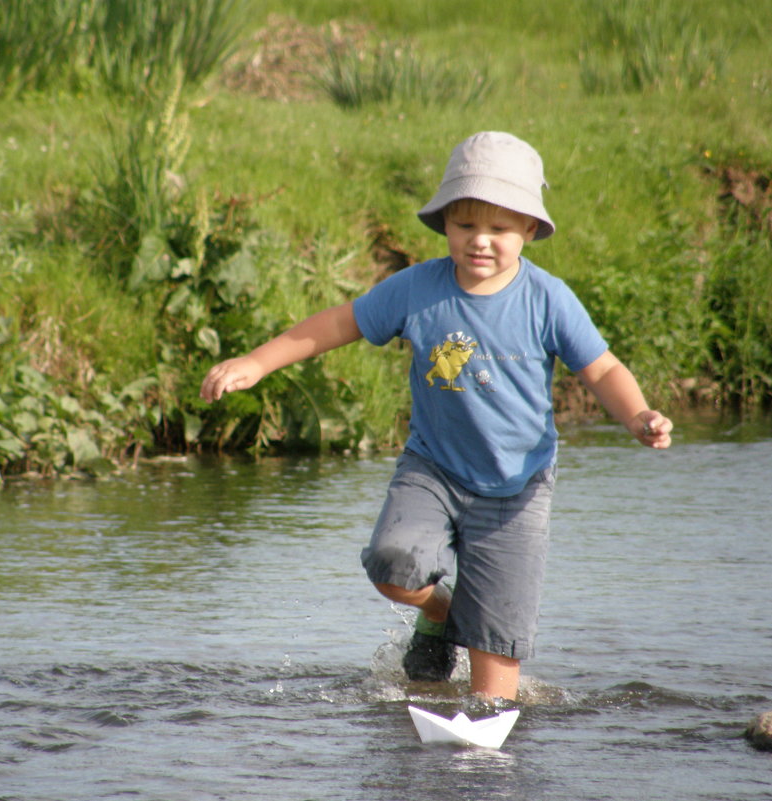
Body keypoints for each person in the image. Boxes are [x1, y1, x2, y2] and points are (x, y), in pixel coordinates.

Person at [199, 131, 673, 701]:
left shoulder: (548, 299)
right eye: (465, 225)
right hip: (433, 470)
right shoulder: (418, 288)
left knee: (494, 685)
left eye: (499, 228)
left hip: (516, 491)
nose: (480, 241)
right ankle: (442, 614)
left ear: (528, 230)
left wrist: (638, 414)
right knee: (392, 564)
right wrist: (256, 362)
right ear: (444, 222)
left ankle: (476, 752)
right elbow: (336, 324)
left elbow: (602, 369)